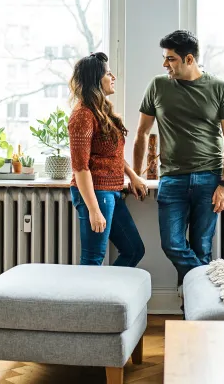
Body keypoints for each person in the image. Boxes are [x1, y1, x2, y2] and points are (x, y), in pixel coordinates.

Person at [132, 30, 224, 291]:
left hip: (210, 178)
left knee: (202, 247)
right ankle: (209, 289)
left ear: (189, 59)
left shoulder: (219, 88)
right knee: (172, 244)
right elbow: (142, 133)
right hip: (172, 180)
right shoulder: (158, 86)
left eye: (170, 59)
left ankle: (194, 316)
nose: (164, 65)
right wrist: (135, 175)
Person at [68, 51, 148, 266]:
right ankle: (88, 300)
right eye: (108, 74)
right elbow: (80, 167)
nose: (113, 78)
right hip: (96, 192)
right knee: (93, 258)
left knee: (134, 250)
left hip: (112, 192)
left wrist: (133, 176)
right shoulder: (83, 115)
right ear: (96, 79)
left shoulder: (102, 112)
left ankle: (110, 297)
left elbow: (113, 155)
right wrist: (94, 210)